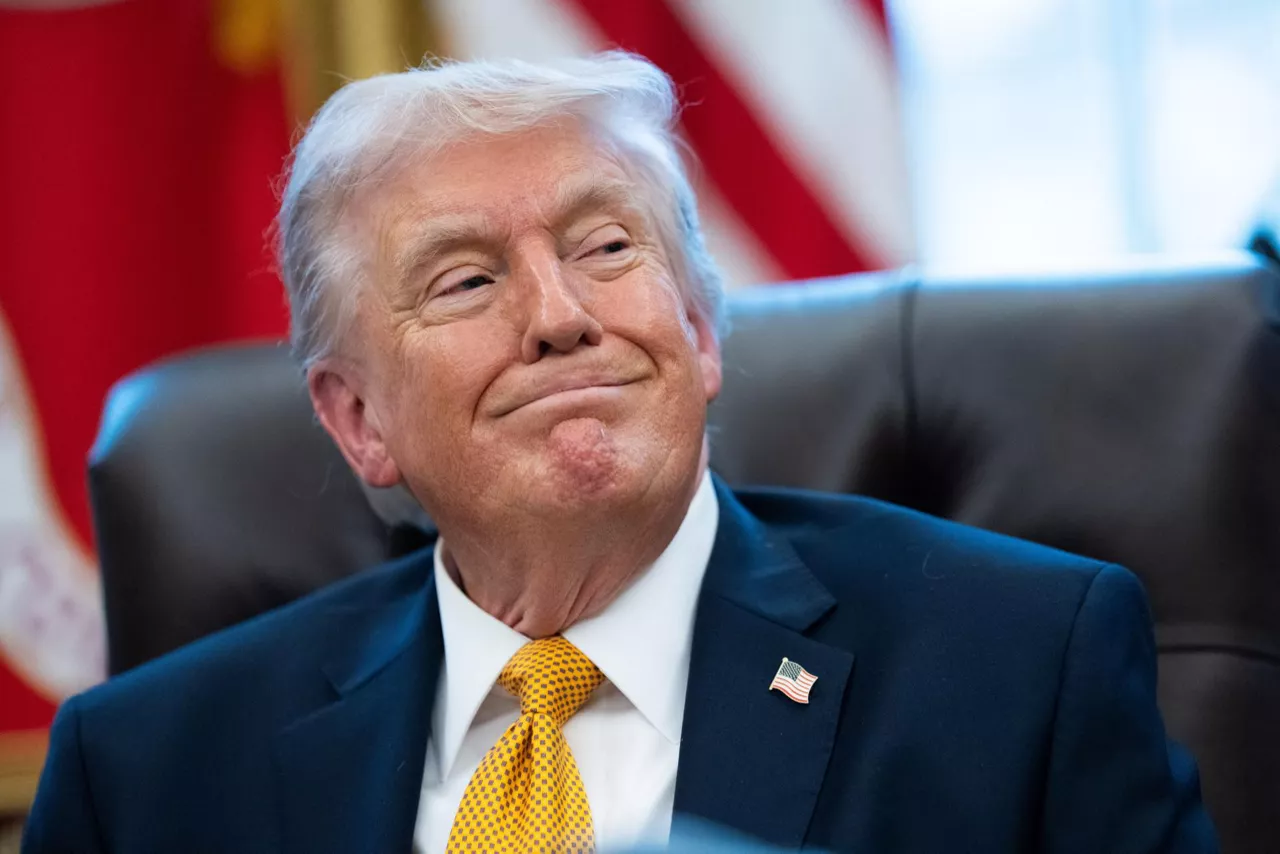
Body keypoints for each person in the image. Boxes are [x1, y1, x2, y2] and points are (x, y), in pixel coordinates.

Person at [23, 53, 1216, 854]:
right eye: (467, 278)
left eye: (604, 246)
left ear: (697, 331)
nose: (558, 314)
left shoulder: (1015, 668)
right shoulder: (147, 774)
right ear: (356, 420)